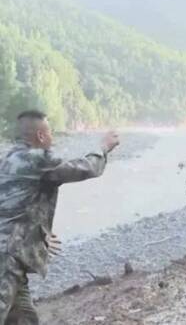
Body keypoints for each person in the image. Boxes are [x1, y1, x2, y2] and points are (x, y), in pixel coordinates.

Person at [0, 110, 119, 324]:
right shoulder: (37, 159)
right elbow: (83, 168)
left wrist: (39, 235)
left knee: (25, 318)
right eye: (50, 132)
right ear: (41, 136)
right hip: (6, 259)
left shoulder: (9, 159)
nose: (52, 137)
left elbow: (14, 207)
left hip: (11, 255)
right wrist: (103, 148)